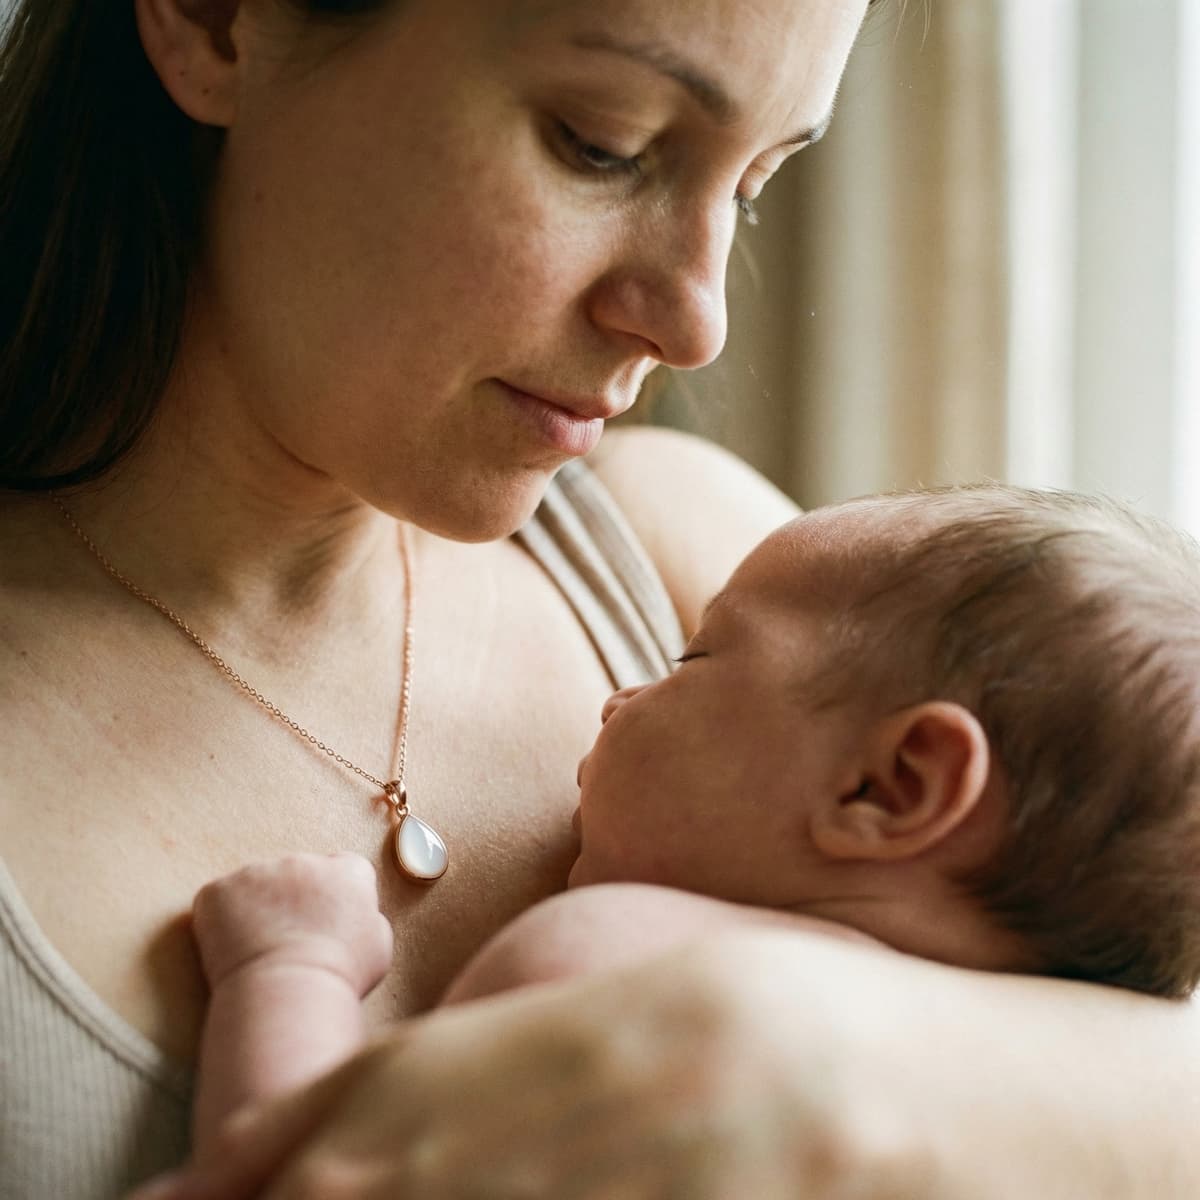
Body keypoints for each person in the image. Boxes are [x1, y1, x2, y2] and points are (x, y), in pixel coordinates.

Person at [0, 0, 1196, 1197]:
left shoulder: (694, 554)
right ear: (216, 21)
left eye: (753, 187)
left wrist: (825, 1059)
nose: (698, 321)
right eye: (603, 142)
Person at [178, 483, 1200, 1159]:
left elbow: (291, 1172)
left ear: (889, 790)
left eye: (694, 659)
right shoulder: (1021, 1099)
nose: (622, 695)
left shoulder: (621, 980)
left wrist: (290, 968)